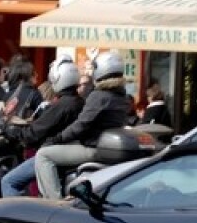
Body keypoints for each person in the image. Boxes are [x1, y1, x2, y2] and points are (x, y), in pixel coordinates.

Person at [34, 50, 130, 199]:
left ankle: (55, 202)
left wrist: (57, 138)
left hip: (93, 147)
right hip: (104, 147)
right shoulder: (121, 95)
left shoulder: (99, 96)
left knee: (43, 155)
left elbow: (81, 124)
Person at [0, 58, 86, 198]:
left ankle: (17, 218)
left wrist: (14, 131)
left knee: (9, 181)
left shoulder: (61, 105)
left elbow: (34, 132)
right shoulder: (79, 101)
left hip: (55, 154)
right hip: (68, 154)